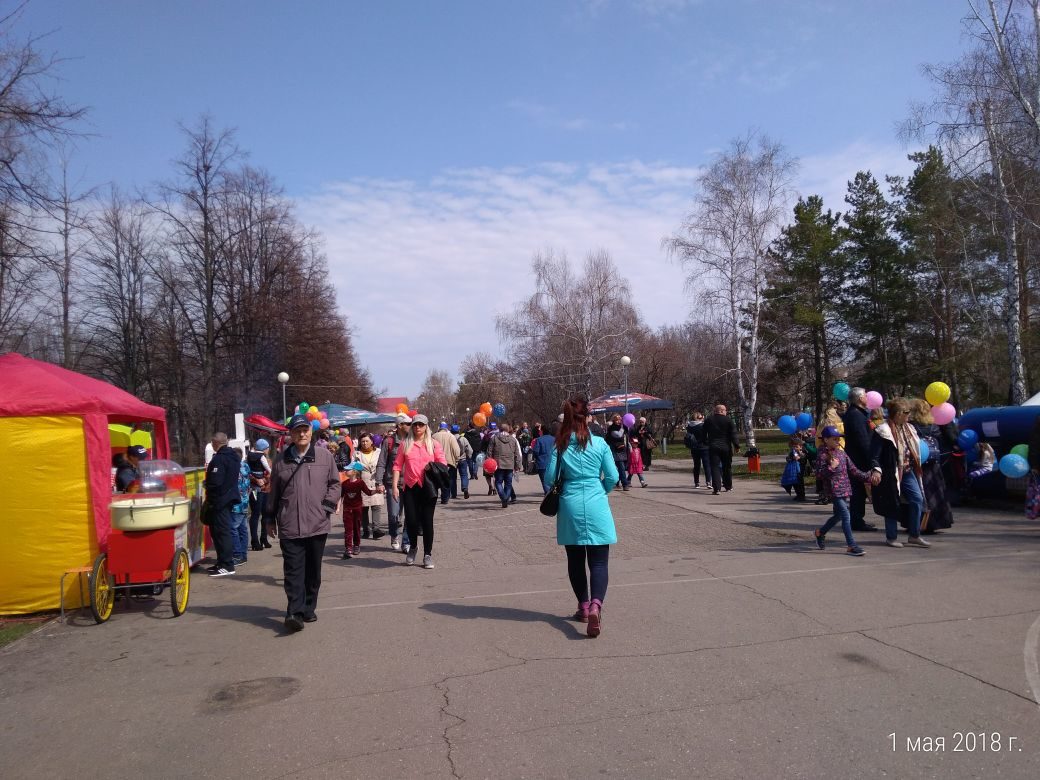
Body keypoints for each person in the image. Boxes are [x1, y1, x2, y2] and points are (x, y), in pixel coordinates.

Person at [546, 396, 619, 639]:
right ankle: (597, 604)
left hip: (570, 504)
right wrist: (601, 490)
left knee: (575, 560)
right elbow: (612, 475)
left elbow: (548, 479)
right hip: (596, 502)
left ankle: (584, 606)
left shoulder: (561, 445)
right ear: (588, 418)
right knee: (599, 562)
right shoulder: (600, 444)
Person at [264, 414, 341, 632]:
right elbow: (274, 492)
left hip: (317, 524)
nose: (302, 433)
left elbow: (335, 484)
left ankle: (308, 607)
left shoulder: (325, 456)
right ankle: (294, 613)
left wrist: (326, 506)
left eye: (305, 429)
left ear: (311, 431)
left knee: (313, 571)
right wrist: (269, 518)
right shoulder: (281, 460)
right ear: (290, 433)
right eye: (297, 430)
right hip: (290, 524)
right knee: (293, 571)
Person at [870, 399, 931, 549]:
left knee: (917, 499)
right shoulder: (883, 431)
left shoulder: (909, 428)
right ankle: (891, 537)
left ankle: (914, 535)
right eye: (906, 413)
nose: (909, 415)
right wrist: (876, 469)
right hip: (891, 472)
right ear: (898, 414)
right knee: (892, 503)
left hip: (908, 470)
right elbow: (874, 454)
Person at [813, 425, 878, 557]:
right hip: (834, 490)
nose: (838, 441)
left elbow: (853, 470)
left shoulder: (841, 453)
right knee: (845, 515)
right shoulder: (822, 455)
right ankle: (851, 546)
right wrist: (831, 467)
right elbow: (819, 474)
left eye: (839, 439)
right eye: (834, 439)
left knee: (838, 516)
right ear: (825, 439)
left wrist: (868, 476)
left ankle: (820, 532)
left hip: (845, 489)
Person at [392, 414, 447, 569]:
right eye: (415, 424)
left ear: (426, 426)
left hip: (428, 488)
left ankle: (427, 555)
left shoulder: (434, 444)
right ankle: (413, 548)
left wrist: (433, 466)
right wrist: (394, 486)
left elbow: (443, 464)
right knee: (412, 520)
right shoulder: (405, 444)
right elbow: (397, 466)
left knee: (427, 521)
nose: (417, 427)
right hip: (410, 487)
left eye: (421, 425)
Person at [909, 399, 953, 533]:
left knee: (918, 494)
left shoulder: (910, 426)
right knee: (935, 493)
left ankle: (918, 522)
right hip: (933, 464)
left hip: (916, 462)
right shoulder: (933, 426)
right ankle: (935, 522)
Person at [841, 388, 878, 533]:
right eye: (865, 395)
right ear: (859, 399)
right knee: (857, 491)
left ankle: (857, 519)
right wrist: (871, 459)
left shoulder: (858, 413)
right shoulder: (855, 415)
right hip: (858, 459)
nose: (868, 397)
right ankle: (856, 520)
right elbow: (862, 440)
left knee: (859, 491)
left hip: (857, 457)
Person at [203, 433, 240, 577]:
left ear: (215, 442)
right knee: (219, 532)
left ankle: (227, 564)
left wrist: (208, 487)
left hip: (220, 500)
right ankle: (221, 562)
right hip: (228, 498)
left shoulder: (219, 459)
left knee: (221, 532)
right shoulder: (233, 456)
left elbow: (216, 482)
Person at [375, 414, 412, 552]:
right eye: (408, 424)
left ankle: (406, 541)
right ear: (400, 425)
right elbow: (382, 463)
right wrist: (379, 482)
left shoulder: (413, 440)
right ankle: (394, 535)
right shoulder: (388, 441)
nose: (411, 426)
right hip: (392, 483)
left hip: (410, 483)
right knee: (393, 515)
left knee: (410, 514)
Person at [354, 432, 386, 540]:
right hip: (363, 482)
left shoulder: (379, 452)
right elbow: (353, 469)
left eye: (367, 441)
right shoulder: (357, 454)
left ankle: (376, 529)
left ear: (372, 441)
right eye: (362, 441)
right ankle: (366, 530)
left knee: (376, 506)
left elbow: (382, 465)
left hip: (376, 481)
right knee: (364, 508)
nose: (364, 443)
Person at [702, 404, 740, 494]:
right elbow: (733, 434)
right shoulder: (728, 420)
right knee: (727, 467)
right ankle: (728, 486)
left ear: (716, 411)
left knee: (714, 467)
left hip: (713, 446)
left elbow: (703, 433)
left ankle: (717, 489)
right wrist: (736, 446)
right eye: (725, 410)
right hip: (726, 447)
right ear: (722, 411)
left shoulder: (709, 420)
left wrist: (705, 442)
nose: (726, 412)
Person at [341, 462, 375, 558]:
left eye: (348, 470)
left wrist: (376, 490)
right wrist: (338, 507)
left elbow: (368, 492)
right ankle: (348, 548)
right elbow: (341, 496)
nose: (346, 471)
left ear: (355, 472)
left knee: (356, 528)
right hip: (347, 509)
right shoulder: (344, 484)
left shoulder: (360, 483)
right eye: (346, 470)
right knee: (348, 529)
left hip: (357, 509)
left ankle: (356, 545)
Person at [488, 422, 523, 508]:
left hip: (498, 465)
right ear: (508, 430)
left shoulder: (494, 438)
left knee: (498, 482)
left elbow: (489, 452)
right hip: (510, 465)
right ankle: (506, 498)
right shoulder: (513, 439)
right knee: (508, 483)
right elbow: (517, 454)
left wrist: (489, 463)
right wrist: (518, 465)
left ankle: (503, 498)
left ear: (499, 430)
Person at [246, 439, 273, 551]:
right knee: (256, 514)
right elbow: (247, 472)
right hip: (256, 489)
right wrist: (257, 480)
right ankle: (254, 540)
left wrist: (266, 480)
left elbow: (270, 473)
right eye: (267, 448)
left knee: (266, 514)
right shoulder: (254, 458)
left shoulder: (268, 460)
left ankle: (263, 538)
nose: (268, 450)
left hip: (266, 490)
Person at [230, 447, 251, 567]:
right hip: (245, 501)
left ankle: (237, 554)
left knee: (232, 528)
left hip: (237, 503)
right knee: (242, 529)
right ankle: (243, 554)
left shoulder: (235, 468)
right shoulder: (245, 466)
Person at [432, 422, 461, 503]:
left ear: (439, 428)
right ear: (446, 428)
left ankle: (436, 495)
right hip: (449, 462)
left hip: (436, 462)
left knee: (437, 479)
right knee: (449, 479)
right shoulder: (451, 436)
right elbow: (456, 449)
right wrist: (457, 458)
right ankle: (446, 497)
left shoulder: (434, 436)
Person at [685, 413, 712, 490]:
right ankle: (708, 482)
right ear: (699, 418)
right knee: (706, 465)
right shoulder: (702, 426)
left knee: (696, 465)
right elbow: (706, 437)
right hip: (704, 447)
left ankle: (696, 483)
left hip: (694, 448)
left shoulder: (689, 426)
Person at [606, 414, 632, 491]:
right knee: (621, 467)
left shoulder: (624, 428)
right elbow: (619, 435)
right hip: (616, 451)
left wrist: (630, 447)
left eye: (620, 420)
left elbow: (625, 439)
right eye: (617, 420)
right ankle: (625, 484)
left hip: (623, 450)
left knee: (622, 468)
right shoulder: (612, 428)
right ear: (614, 421)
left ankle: (617, 481)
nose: (619, 421)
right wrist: (622, 428)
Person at [532, 422, 557, 493]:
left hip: (542, 463)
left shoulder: (539, 440)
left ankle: (548, 495)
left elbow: (536, 451)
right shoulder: (554, 439)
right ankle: (552, 494)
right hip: (553, 463)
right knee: (553, 481)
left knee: (544, 482)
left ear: (542, 431)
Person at [780, 436, 807, 500]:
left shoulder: (803, 452)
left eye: (796, 447)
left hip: (800, 470)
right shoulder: (792, 452)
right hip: (793, 471)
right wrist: (791, 458)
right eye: (793, 446)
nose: (795, 448)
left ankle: (802, 495)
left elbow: (804, 459)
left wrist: (800, 457)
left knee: (800, 483)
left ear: (800, 446)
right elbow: (788, 458)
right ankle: (798, 494)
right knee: (794, 483)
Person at [453, 424, 473, 499]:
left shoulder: (450, 438)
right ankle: (465, 488)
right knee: (464, 475)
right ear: (458, 430)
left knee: (452, 477)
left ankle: (453, 494)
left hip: (452, 460)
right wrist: (469, 456)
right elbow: (470, 450)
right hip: (462, 459)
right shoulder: (463, 439)